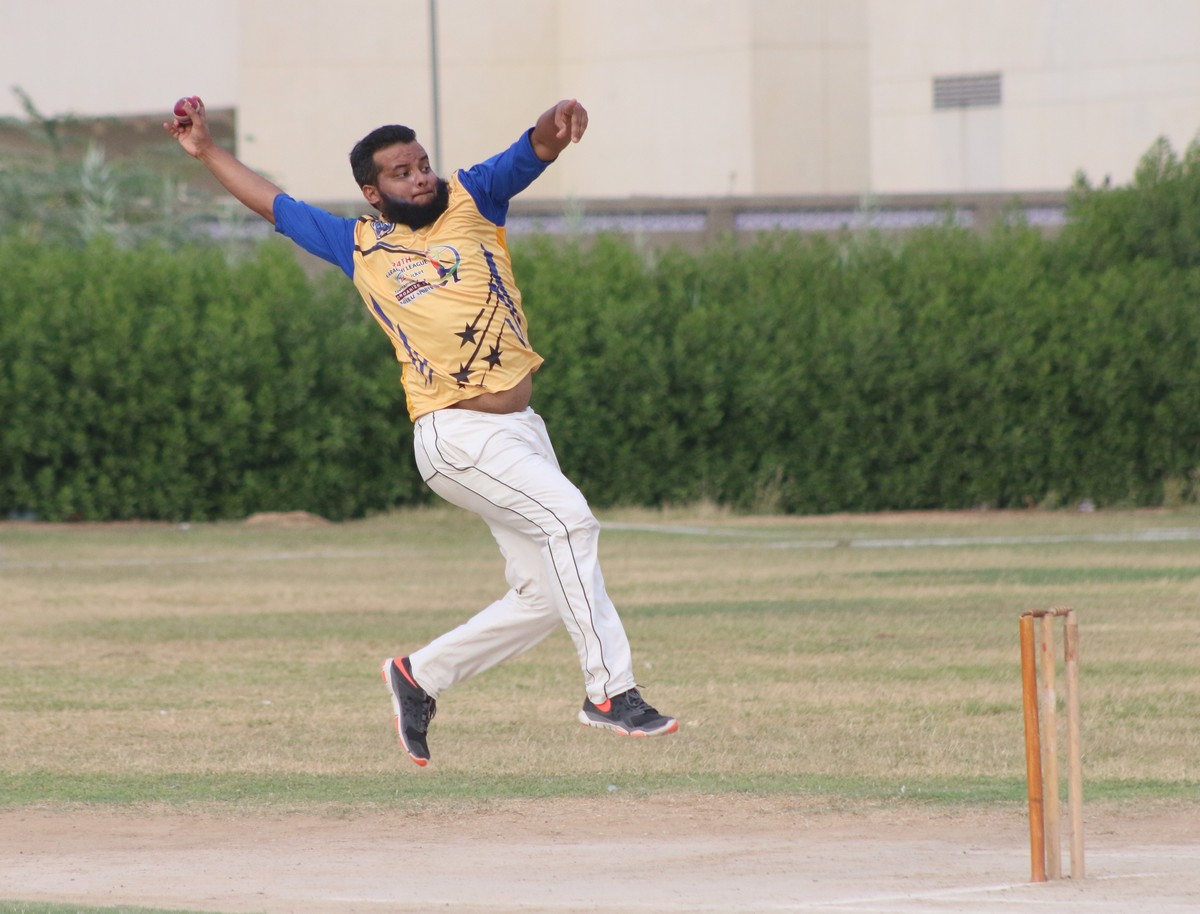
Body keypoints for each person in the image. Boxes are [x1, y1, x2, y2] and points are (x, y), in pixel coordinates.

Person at [166, 96, 678, 767]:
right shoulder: (358, 245)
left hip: (522, 431)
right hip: (455, 435)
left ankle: (420, 676)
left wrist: (556, 120)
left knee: (548, 594)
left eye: (423, 164)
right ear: (373, 192)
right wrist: (206, 150)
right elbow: (274, 203)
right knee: (571, 522)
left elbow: (534, 148)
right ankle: (610, 694)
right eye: (402, 173)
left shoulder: (473, 198)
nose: (421, 178)